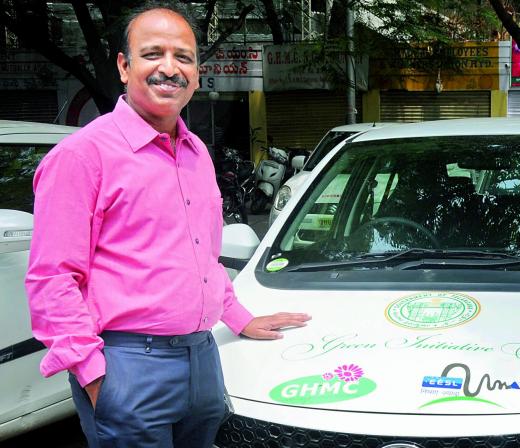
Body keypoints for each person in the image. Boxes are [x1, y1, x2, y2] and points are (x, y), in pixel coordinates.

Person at [24, 3, 311, 447]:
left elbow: (201, 256)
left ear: (197, 74)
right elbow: (52, 279)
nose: (169, 68)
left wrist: (238, 318)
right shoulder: (82, 156)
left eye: (183, 57)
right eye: (153, 53)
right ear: (124, 66)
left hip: (202, 358)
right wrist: (95, 377)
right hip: (128, 365)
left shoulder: (195, 152)